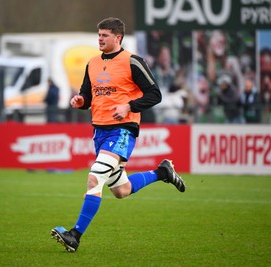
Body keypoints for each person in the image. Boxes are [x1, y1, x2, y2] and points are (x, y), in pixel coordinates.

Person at [50, 17, 186, 252]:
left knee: (95, 177)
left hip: (123, 130)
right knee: (121, 190)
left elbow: (155, 94)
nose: (100, 39)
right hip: (100, 131)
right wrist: (80, 101)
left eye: (105, 35)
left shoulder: (133, 61)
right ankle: (162, 172)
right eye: (99, 34)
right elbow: (87, 96)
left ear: (118, 37)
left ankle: (75, 235)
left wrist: (129, 107)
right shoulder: (92, 63)